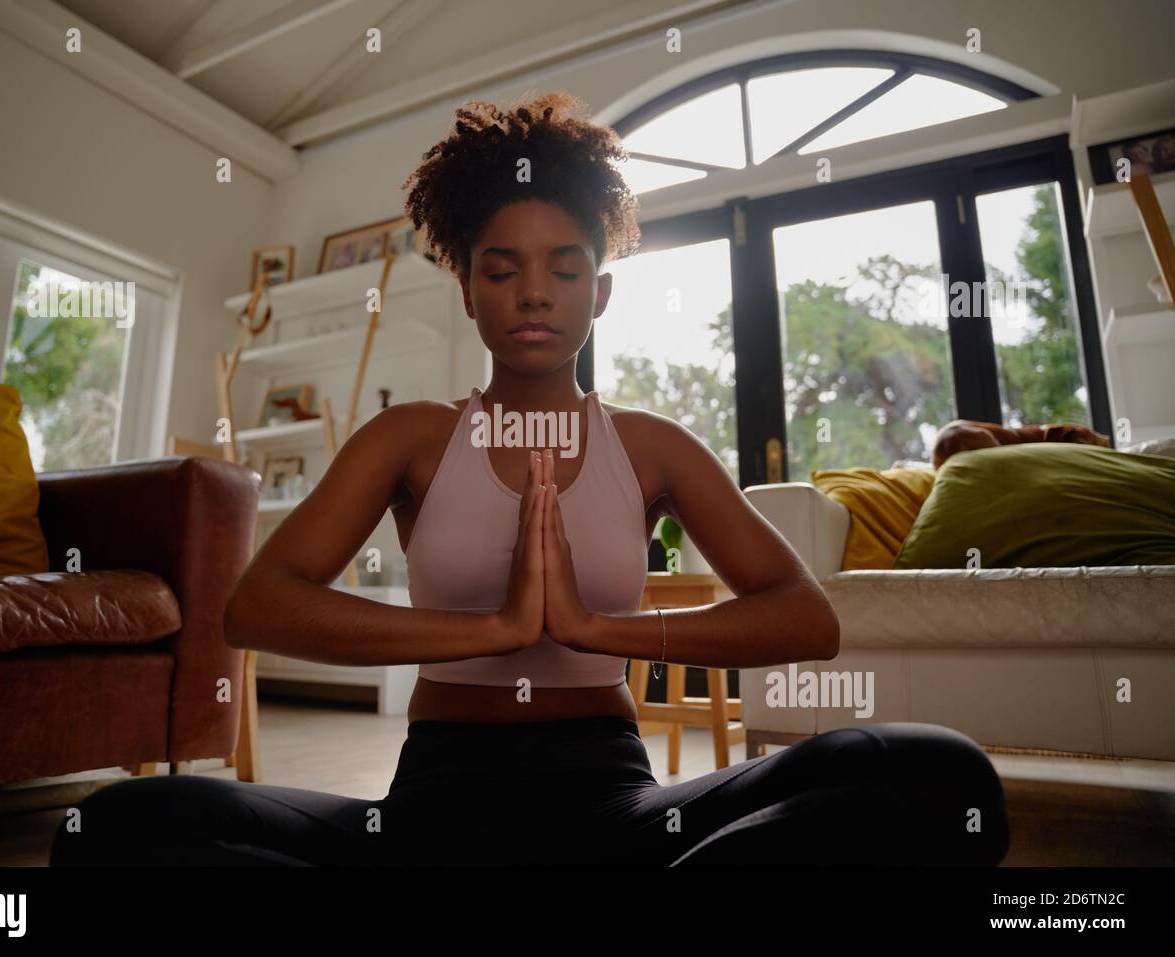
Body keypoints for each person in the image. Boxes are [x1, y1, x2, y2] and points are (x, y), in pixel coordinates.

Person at [50, 92, 1010, 868]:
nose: (535, 291)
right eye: (501, 268)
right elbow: (257, 606)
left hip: (619, 805)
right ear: (468, 288)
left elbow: (809, 619)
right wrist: (494, 631)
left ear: (601, 289)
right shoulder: (410, 439)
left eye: (564, 266)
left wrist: (597, 632)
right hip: (431, 809)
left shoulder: (654, 446)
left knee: (934, 775)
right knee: (115, 830)